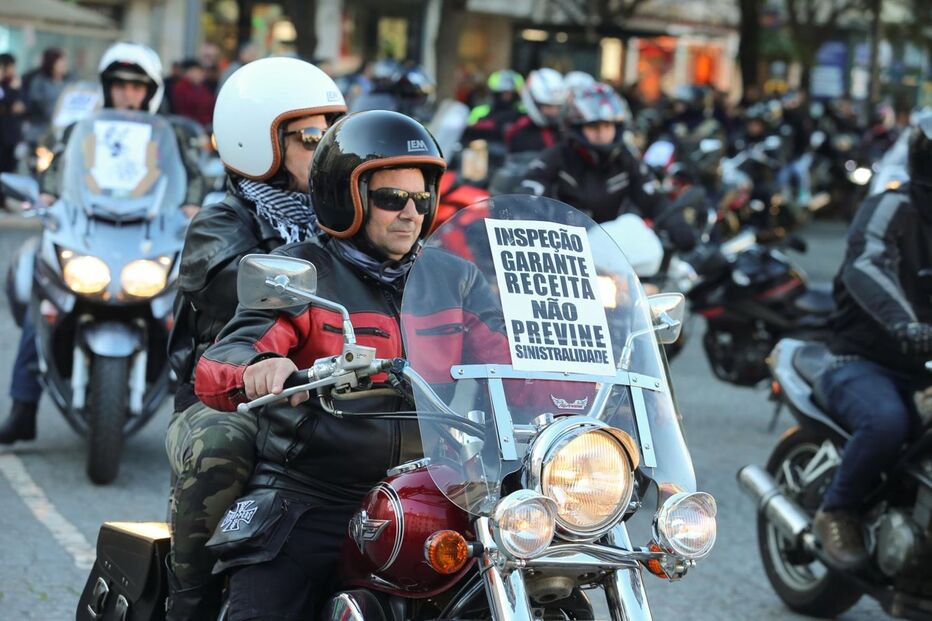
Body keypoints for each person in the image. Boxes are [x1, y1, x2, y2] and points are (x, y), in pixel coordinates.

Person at [190, 109, 445, 619]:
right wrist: (257, 367)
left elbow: (509, 351)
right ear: (345, 199)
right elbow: (220, 362)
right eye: (391, 198)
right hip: (313, 492)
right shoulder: (302, 276)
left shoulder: (453, 280)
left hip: (429, 494)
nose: (410, 213)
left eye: (420, 198)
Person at [162, 56, 346, 620]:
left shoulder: (352, 214)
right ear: (257, 143)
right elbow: (249, 301)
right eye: (313, 137)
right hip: (237, 394)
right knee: (222, 445)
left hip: (342, 392)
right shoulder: (218, 222)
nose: (329, 150)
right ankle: (187, 602)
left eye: (334, 134)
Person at [0, 41, 207, 447]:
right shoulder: (84, 128)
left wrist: (193, 203)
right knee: (45, 302)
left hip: (149, 236)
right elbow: (59, 170)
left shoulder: (173, 135)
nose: (128, 94)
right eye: (119, 85)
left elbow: (193, 176)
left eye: (136, 87)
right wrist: (47, 194)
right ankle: (23, 409)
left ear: (150, 91)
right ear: (107, 87)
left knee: (198, 310)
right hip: (89, 230)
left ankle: (201, 422)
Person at [813, 114, 932, 570]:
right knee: (886, 423)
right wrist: (905, 325)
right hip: (861, 360)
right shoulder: (891, 206)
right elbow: (867, 265)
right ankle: (837, 509)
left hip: (923, 369)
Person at [520, 83, 696, 250]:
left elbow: (653, 198)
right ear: (576, 127)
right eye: (593, 126)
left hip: (615, 255)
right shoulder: (553, 159)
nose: (602, 134)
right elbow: (529, 202)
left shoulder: (626, 159)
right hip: (563, 254)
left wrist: (678, 225)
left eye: (607, 125)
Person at [505, 67, 567, 153]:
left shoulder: (564, 131)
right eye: (548, 106)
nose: (554, 111)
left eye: (558, 106)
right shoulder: (520, 131)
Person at [463, 69, 524, 143]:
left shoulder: (523, 114)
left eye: (510, 93)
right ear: (495, 94)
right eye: (503, 93)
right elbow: (467, 134)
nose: (507, 97)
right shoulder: (479, 112)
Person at [25, 48, 68, 140]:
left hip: (63, 130)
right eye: (61, 62)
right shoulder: (39, 82)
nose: (64, 64)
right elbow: (39, 106)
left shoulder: (69, 82)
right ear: (52, 64)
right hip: (42, 130)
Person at [0, 53, 26, 179]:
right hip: (3, 136)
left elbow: (24, 105)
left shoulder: (14, 84)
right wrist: (13, 90)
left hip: (11, 137)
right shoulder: (8, 87)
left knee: (9, 170)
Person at [171, 59, 215, 127]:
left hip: (205, 125)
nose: (201, 75)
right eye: (198, 72)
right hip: (189, 126)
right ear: (189, 72)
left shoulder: (203, 88)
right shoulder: (181, 88)